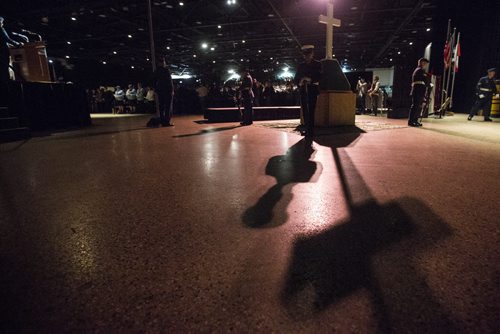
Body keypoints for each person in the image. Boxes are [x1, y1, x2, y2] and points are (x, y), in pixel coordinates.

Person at [294, 45, 321, 137]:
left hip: (312, 90)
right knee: (305, 111)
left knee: (311, 111)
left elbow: (321, 77)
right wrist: (300, 81)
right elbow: (296, 78)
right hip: (303, 90)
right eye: (305, 55)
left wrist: (309, 79)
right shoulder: (301, 66)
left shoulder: (317, 64)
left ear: (312, 54)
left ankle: (311, 130)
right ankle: (307, 129)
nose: (307, 57)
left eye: (308, 54)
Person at [152, 56, 174, 126]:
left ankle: (162, 121)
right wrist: (172, 90)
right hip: (167, 90)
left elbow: (154, 81)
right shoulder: (166, 70)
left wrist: (156, 89)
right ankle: (166, 122)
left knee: (161, 106)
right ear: (163, 62)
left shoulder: (156, 71)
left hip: (160, 91)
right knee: (168, 106)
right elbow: (169, 81)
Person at [408, 58, 430, 127]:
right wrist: (428, 84)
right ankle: (411, 121)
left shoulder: (419, 70)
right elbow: (425, 80)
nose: (426, 65)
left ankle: (414, 121)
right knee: (415, 106)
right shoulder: (420, 70)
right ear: (422, 63)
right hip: (418, 90)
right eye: (425, 64)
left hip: (419, 90)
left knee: (417, 106)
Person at [1, 16, 23, 83]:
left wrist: (9, 44)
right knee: (4, 67)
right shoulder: (0, 28)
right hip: (2, 52)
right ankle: (6, 82)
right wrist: (17, 44)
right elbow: (7, 39)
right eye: (2, 22)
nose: (2, 23)